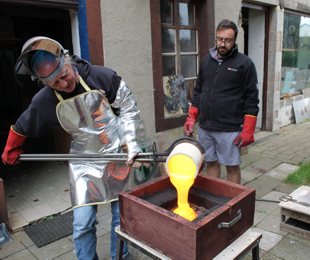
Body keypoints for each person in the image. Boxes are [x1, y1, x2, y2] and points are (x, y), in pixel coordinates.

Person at [1, 36, 150, 260]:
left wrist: (131, 141)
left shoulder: (102, 77)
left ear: (66, 58)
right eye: (54, 84)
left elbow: (128, 107)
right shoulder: (45, 101)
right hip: (84, 161)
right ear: (44, 84)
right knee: (82, 223)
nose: (63, 84)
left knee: (122, 218)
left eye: (63, 76)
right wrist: (12, 146)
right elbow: (23, 125)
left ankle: (120, 257)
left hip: (118, 153)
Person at [184, 19, 259, 184]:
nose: (223, 44)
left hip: (229, 128)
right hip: (206, 127)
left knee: (231, 167)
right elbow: (198, 91)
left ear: (234, 41)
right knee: (210, 163)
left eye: (228, 40)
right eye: (220, 39)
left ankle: (233, 203)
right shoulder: (206, 61)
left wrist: (248, 130)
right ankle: (214, 199)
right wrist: (191, 117)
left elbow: (252, 99)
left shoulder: (245, 64)